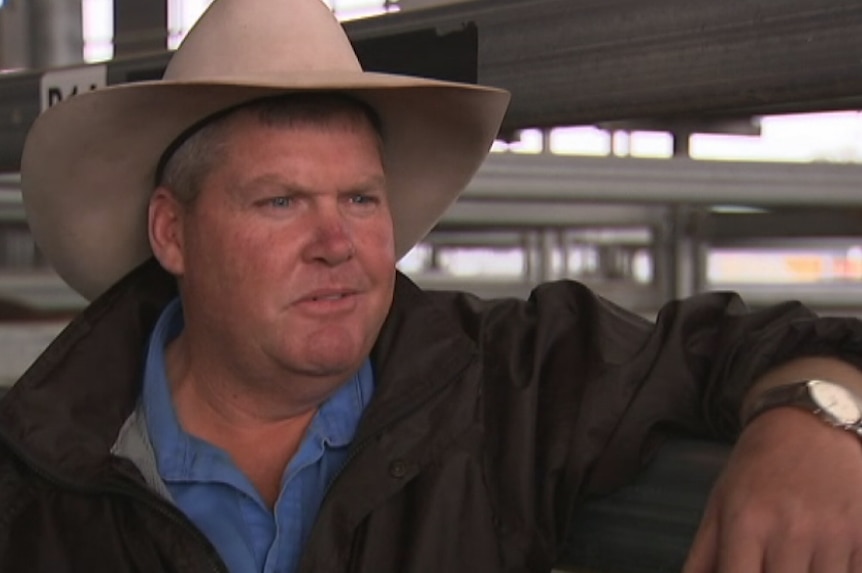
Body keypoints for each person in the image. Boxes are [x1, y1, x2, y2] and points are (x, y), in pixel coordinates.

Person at [4, 0, 862, 571]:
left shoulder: (504, 379)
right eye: (280, 201)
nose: (337, 242)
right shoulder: (34, 483)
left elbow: (754, 346)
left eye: (361, 199)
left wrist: (817, 416)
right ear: (172, 231)